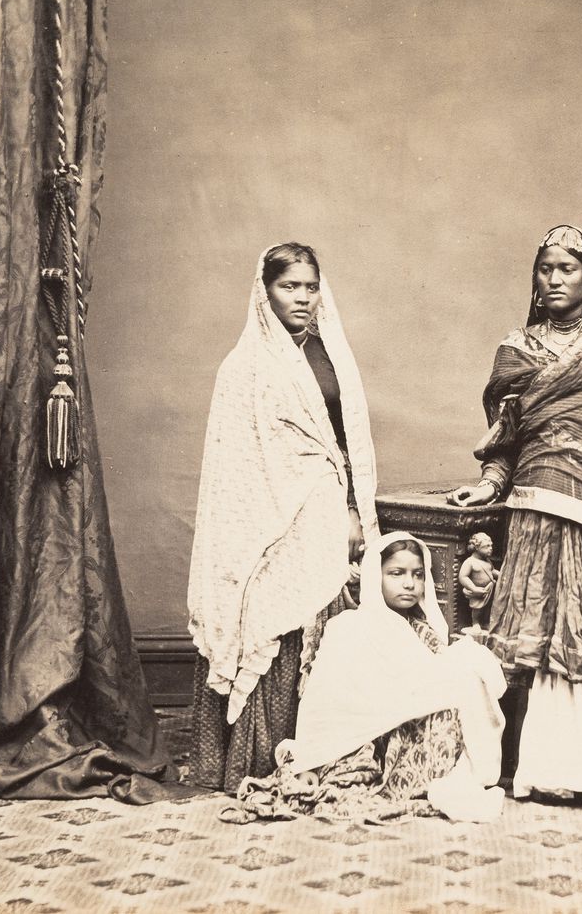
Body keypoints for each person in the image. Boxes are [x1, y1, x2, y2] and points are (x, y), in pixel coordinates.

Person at [448, 225, 582, 799]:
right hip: (538, 494)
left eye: (566, 268)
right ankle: (554, 765)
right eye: (544, 268)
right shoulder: (518, 348)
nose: (552, 279)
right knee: (548, 623)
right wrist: (492, 478)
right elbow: (507, 434)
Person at [186, 242, 380, 791]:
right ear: (265, 291)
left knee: (327, 614)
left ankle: (325, 748)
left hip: (326, 506)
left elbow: (344, 442)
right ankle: (257, 756)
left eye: (310, 287)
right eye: (288, 286)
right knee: (272, 614)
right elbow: (236, 467)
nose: (302, 298)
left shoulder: (332, 354)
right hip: (265, 517)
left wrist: (350, 510)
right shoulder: (243, 367)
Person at [222, 532, 507, 823]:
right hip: (364, 738)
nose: (409, 583)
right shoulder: (349, 628)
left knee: (463, 684)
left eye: (418, 575)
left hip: (406, 729)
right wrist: (311, 760)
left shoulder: (423, 628)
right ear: (375, 577)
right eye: (396, 574)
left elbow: (431, 677)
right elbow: (324, 700)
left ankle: (433, 777)